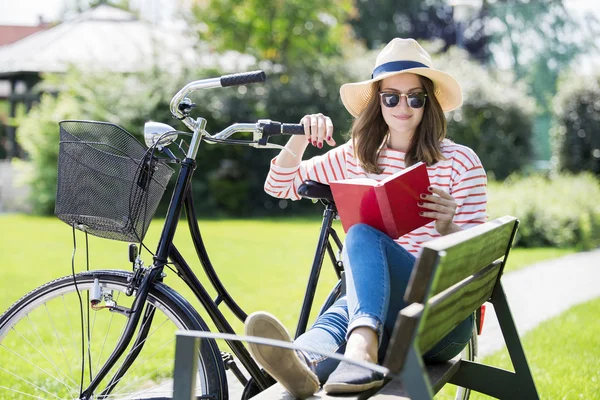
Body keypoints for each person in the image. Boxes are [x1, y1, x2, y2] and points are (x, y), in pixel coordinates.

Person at [244, 38, 487, 398]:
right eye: (391, 97)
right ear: (378, 101)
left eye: (414, 97)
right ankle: (304, 360)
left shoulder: (461, 163)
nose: (402, 106)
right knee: (348, 308)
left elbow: (480, 266)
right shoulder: (358, 155)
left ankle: (356, 348)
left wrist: (449, 227)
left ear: (428, 103)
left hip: (440, 319)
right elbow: (279, 185)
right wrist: (299, 137)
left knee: (360, 236)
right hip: (382, 315)